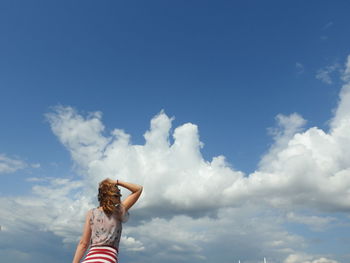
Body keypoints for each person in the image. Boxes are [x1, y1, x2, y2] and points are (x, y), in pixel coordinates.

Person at [72, 178, 143, 263]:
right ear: (110, 195)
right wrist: (117, 182)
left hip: (89, 259)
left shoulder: (91, 213)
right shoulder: (118, 211)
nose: (120, 197)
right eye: (117, 194)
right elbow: (138, 189)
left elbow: (83, 244)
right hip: (107, 259)